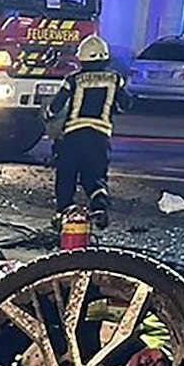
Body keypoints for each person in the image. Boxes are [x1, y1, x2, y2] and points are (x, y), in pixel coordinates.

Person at [44, 33, 127, 229]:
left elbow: (55, 106)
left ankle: (63, 212)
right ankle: (99, 208)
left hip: (73, 136)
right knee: (96, 176)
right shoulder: (115, 79)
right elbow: (125, 104)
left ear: (82, 58)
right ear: (105, 57)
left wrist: (48, 115)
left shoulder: (74, 79)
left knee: (66, 175)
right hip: (100, 137)